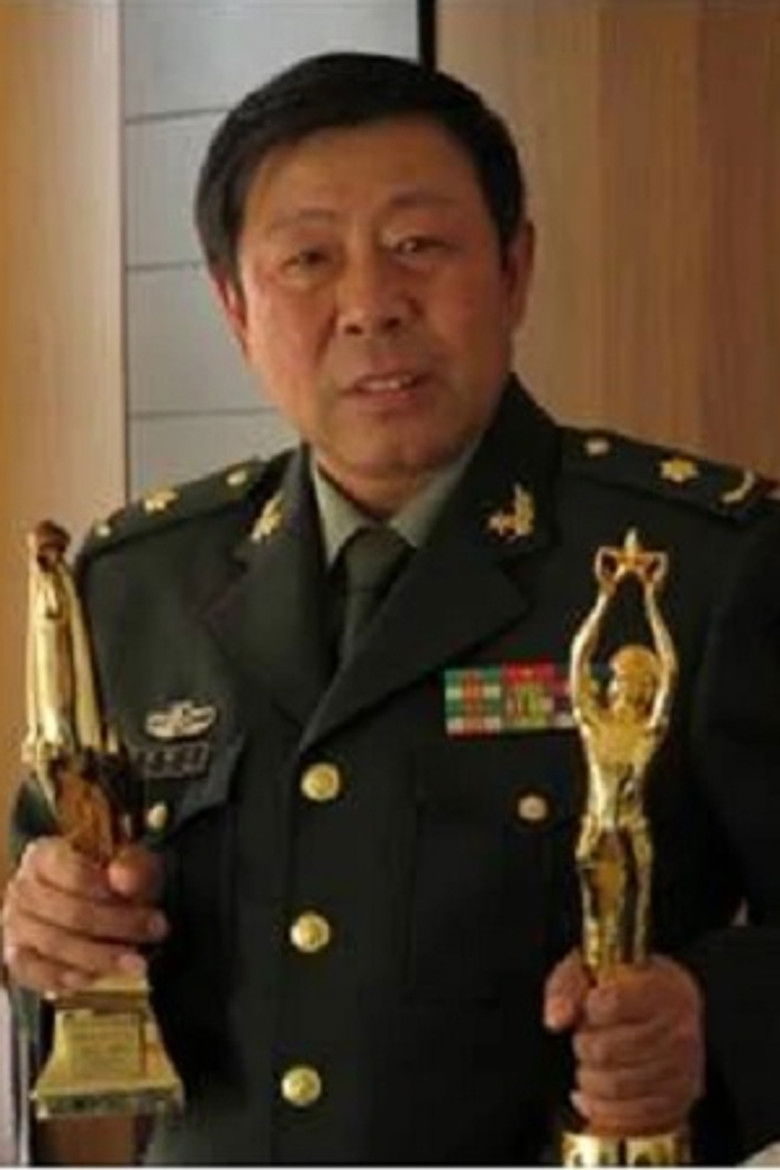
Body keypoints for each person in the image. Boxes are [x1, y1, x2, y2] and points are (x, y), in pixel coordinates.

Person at [2, 50, 780, 1164]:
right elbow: (58, 930)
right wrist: (44, 928)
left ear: (514, 269)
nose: (370, 306)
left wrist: (714, 1023)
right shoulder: (138, 582)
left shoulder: (699, 567)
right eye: (309, 259)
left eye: (419, 245)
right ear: (236, 307)